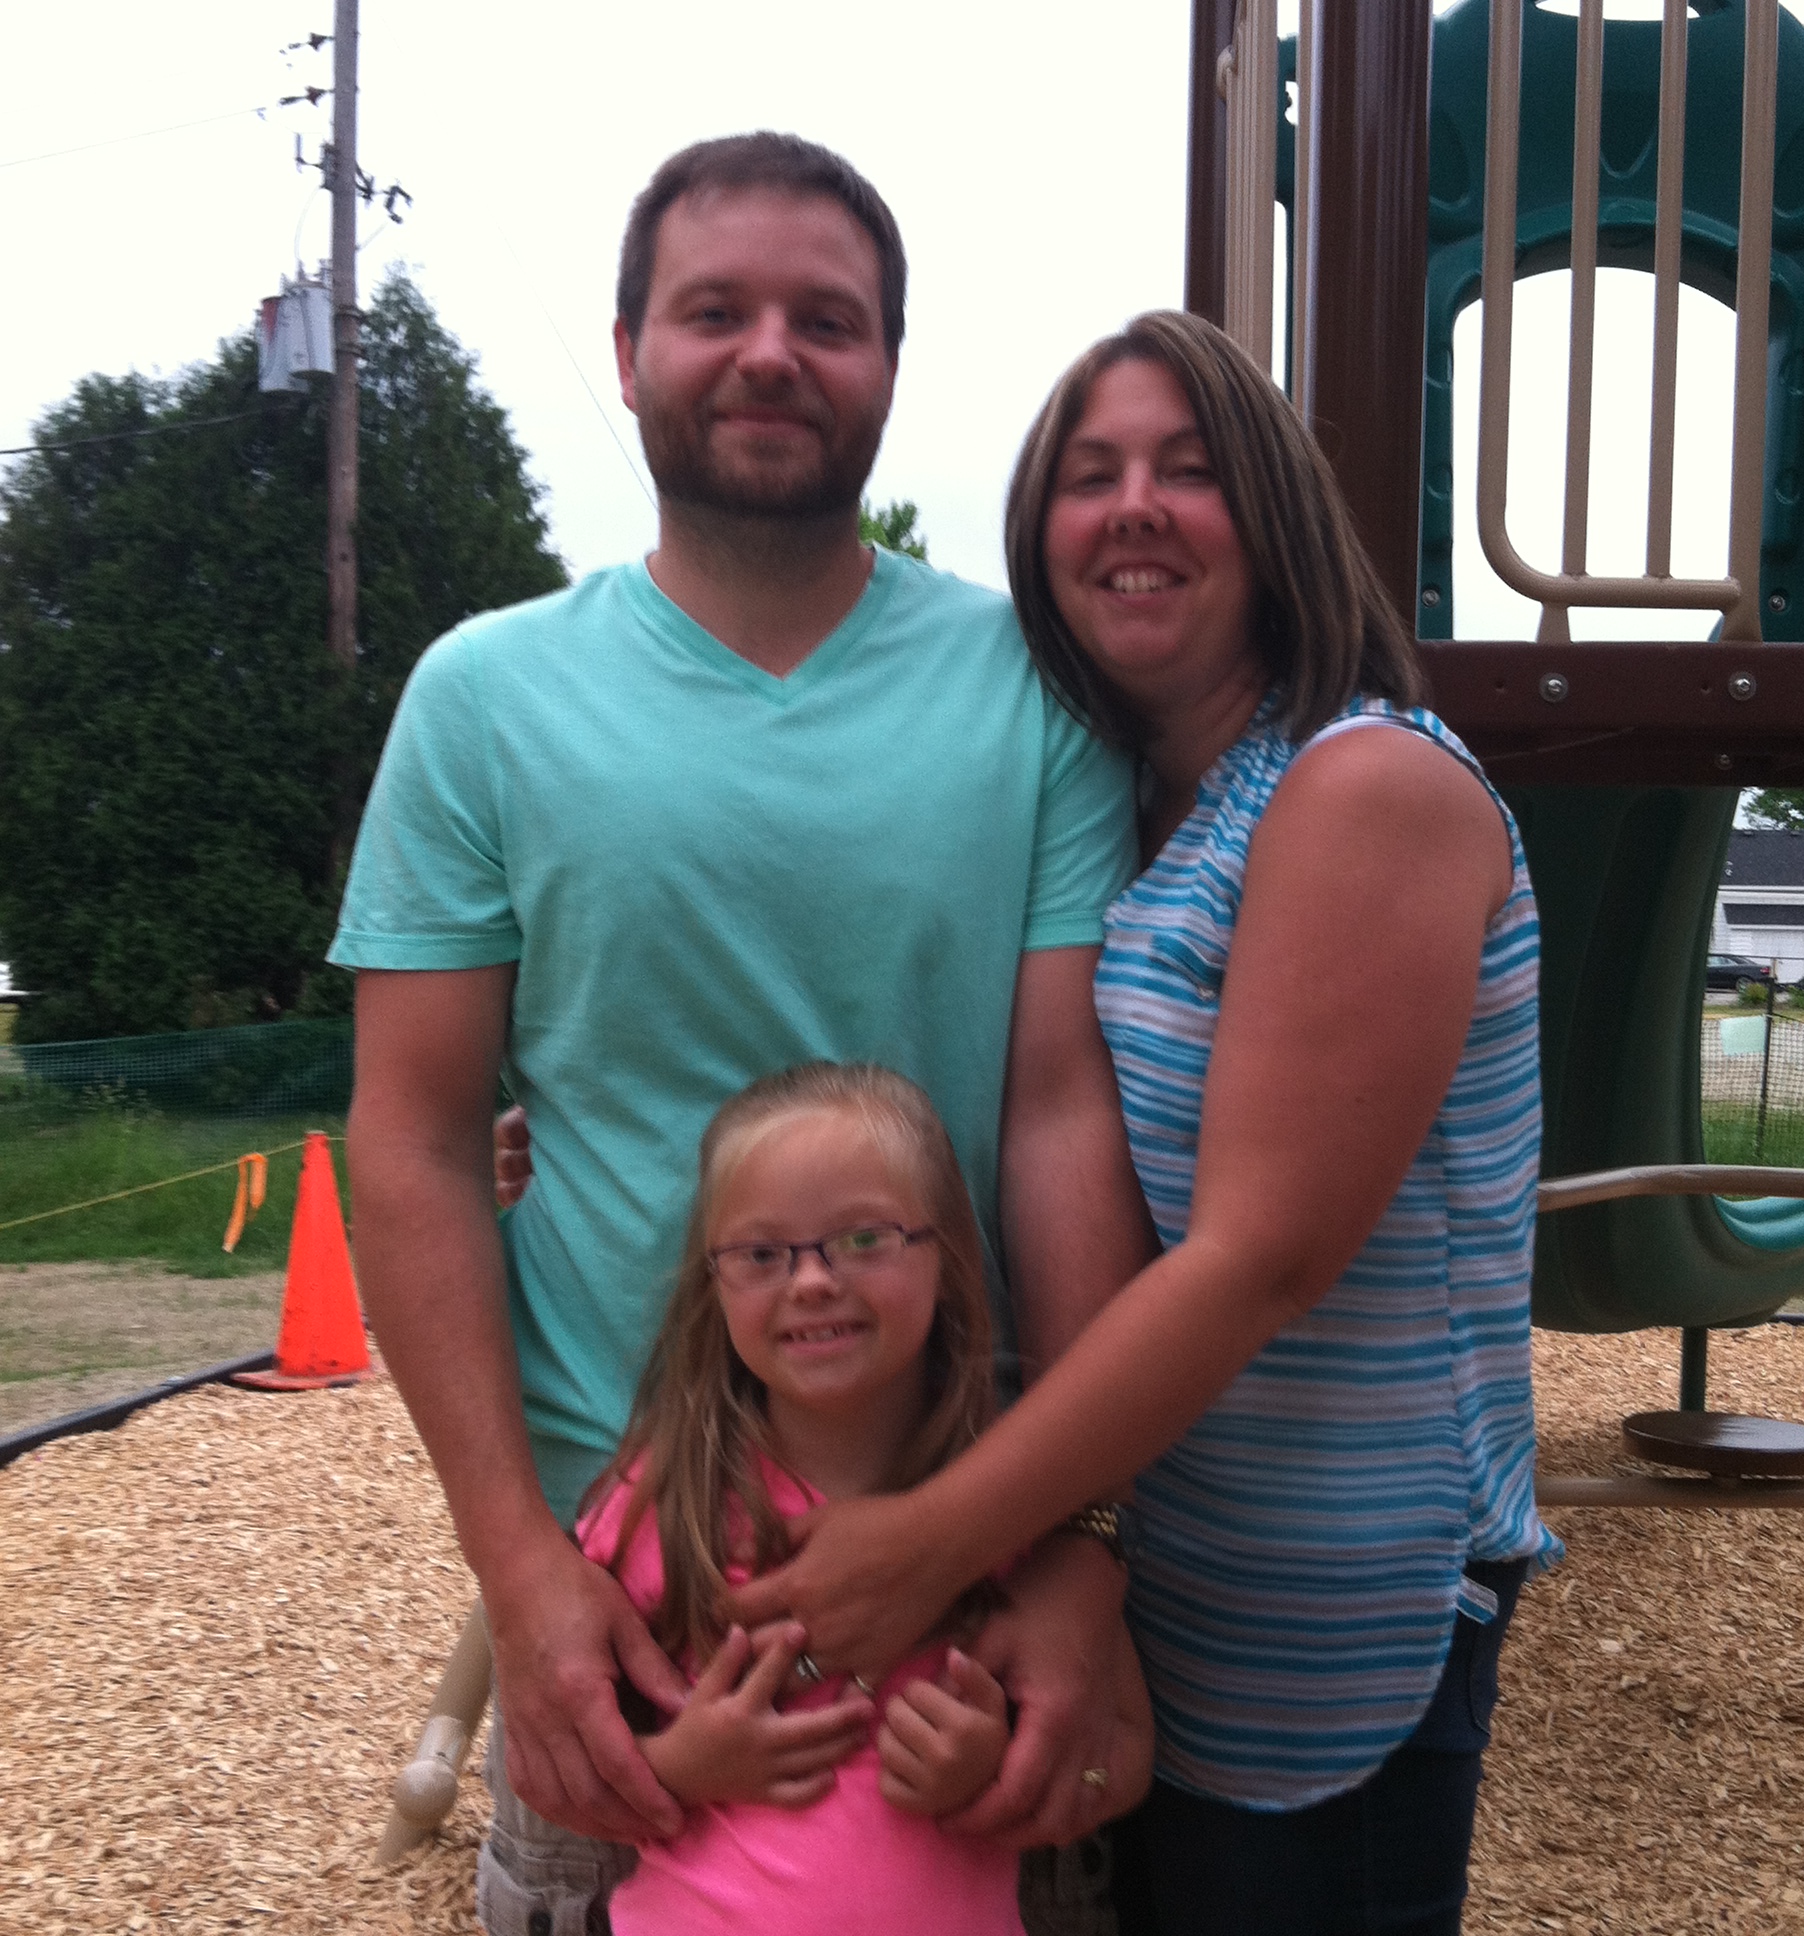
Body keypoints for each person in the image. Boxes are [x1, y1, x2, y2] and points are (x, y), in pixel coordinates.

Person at [331, 132, 1151, 1936]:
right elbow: (412, 1140)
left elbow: (1058, 1116)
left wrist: (1083, 1548)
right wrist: (520, 1572)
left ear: (889, 367)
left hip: (968, 1571)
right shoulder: (485, 700)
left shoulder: (1035, 694)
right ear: (629, 353)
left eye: (827, 320)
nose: (772, 352)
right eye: (716, 311)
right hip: (625, 1608)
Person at [731, 310, 1561, 1936]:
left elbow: (1261, 1257)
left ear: (1275, 516)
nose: (1132, 508)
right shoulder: (1148, 804)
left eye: (1188, 471)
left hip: (1339, 1601)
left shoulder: (1363, 787)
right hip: (1163, 1562)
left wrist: (934, 1539)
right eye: (1089, 473)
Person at [576, 1061, 1152, 1935]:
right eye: (761, 1254)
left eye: (863, 1239)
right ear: (712, 1282)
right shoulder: (667, 1500)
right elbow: (566, 1764)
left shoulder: (1012, 1503)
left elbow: (1127, 1752)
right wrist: (682, 1767)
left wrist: (994, 1770)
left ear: (945, 1258)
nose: (812, 1281)